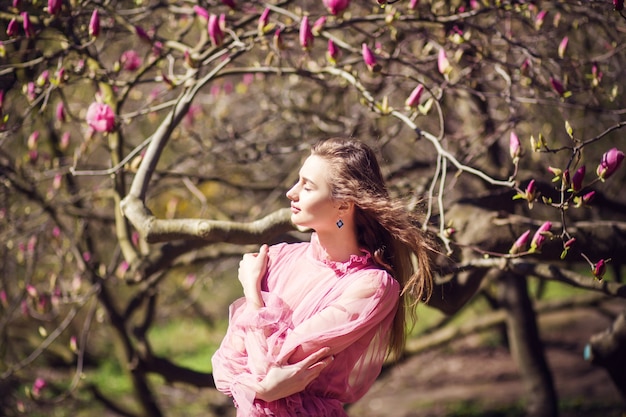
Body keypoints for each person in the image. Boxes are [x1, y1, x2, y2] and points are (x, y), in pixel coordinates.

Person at [211, 137, 436, 416]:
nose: (291, 193)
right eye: (298, 181)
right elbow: (224, 366)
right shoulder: (278, 259)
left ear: (343, 205)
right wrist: (262, 390)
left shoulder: (372, 287)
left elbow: (272, 364)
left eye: (307, 186)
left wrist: (253, 295)